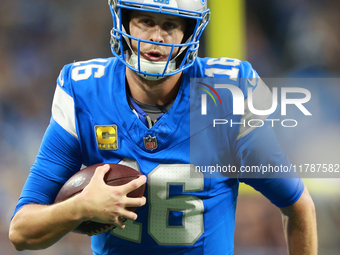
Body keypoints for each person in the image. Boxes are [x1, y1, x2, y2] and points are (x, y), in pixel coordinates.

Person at [9, 0, 317, 254]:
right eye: (145, 20)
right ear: (124, 22)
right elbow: (22, 232)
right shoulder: (85, 92)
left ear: (189, 32)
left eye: (170, 24)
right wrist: (79, 207)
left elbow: (297, 204)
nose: (156, 36)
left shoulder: (227, 93)